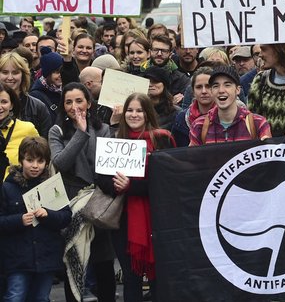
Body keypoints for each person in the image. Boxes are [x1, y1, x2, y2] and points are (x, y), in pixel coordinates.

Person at [97, 93, 175, 302]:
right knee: (131, 278)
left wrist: (131, 186)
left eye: (139, 110)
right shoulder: (114, 141)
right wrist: (117, 186)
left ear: (148, 113)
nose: (134, 114)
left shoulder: (162, 139)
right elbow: (101, 179)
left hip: (157, 218)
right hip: (124, 220)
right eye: (130, 110)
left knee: (159, 277)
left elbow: (168, 181)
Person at [48, 83, 116, 302]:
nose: (74, 106)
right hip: (71, 205)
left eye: (79, 100)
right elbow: (62, 162)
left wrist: (87, 129)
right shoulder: (56, 131)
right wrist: (79, 131)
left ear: (88, 102)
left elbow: (102, 163)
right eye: (68, 102)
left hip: (98, 201)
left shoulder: (103, 129)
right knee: (73, 261)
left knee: (103, 262)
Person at [0, 136, 72, 302]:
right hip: (17, 258)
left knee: (41, 297)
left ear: (47, 163)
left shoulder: (52, 187)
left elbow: (66, 217)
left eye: (40, 161)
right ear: (21, 160)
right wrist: (19, 220)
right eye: (29, 160)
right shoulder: (7, 187)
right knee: (15, 296)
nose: (34, 166)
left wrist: (48, 214)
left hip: (46, 256)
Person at [190, 67, 271, 145]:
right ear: (211, 91)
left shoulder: (258, 123)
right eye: (216, 86)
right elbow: (191, 157)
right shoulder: (199, 126)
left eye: (227, 85)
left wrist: (267, 144)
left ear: (238, 90)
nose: (221, 90)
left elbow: (268, 156)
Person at [0, 52, 51, 140]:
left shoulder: (38, 107)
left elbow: (45, 146)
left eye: (15, 73)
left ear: (23, 75)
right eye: (5, 72)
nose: (10, 77)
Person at [0, 84, 39, 178]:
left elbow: (40, 160)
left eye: (4, 102)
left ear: (11, 105)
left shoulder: (27, 129)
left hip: (16, 189)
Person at [171, 66, 215, 147]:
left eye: (208, 86)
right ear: (193, 91)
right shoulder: (182, 119)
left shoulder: (226, 116)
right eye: (199, 87)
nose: (204, 91)